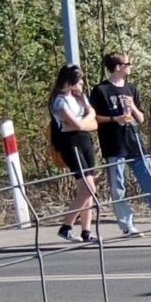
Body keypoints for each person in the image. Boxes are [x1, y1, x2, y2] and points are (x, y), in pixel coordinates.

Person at [90, 51, 151, 236]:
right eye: (127, 63)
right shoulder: (101, 90)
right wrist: (114, 118)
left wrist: (132, 106)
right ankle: (127, 225)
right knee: (118, 188)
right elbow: (94, 118)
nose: (130, 66)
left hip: (135, 143)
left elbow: (140, 118)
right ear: (118, 67)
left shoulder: (131, 88)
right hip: (114, 145)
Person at [47, 64, 101, 244]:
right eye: (79, 80)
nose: (82, 83)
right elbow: (76, 124)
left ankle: (87, 230)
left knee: (90, 189)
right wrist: (85, 120)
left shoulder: (80, 97)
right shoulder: (59, 100)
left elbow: (93, 122)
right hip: (71, 143)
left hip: (85, 141)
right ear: (70, 81)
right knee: (87, 188)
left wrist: (84, 121)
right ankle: (66, 226)